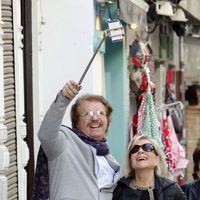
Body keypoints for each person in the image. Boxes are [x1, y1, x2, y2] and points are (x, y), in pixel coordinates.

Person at [36, 80, 121, 200]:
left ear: (107, 120)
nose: (95, 118)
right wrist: (63, 99)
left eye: (101, 113)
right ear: (76, 122)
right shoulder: (64, 144)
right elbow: (46, 134)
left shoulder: (111, 161)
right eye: (87, 114)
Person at [112, 134, 186, 200]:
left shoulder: (172, 189)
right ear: (130, 160)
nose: (140, 151)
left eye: (147, 147)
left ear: (157, 159)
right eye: (135, 149)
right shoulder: (120, 189)